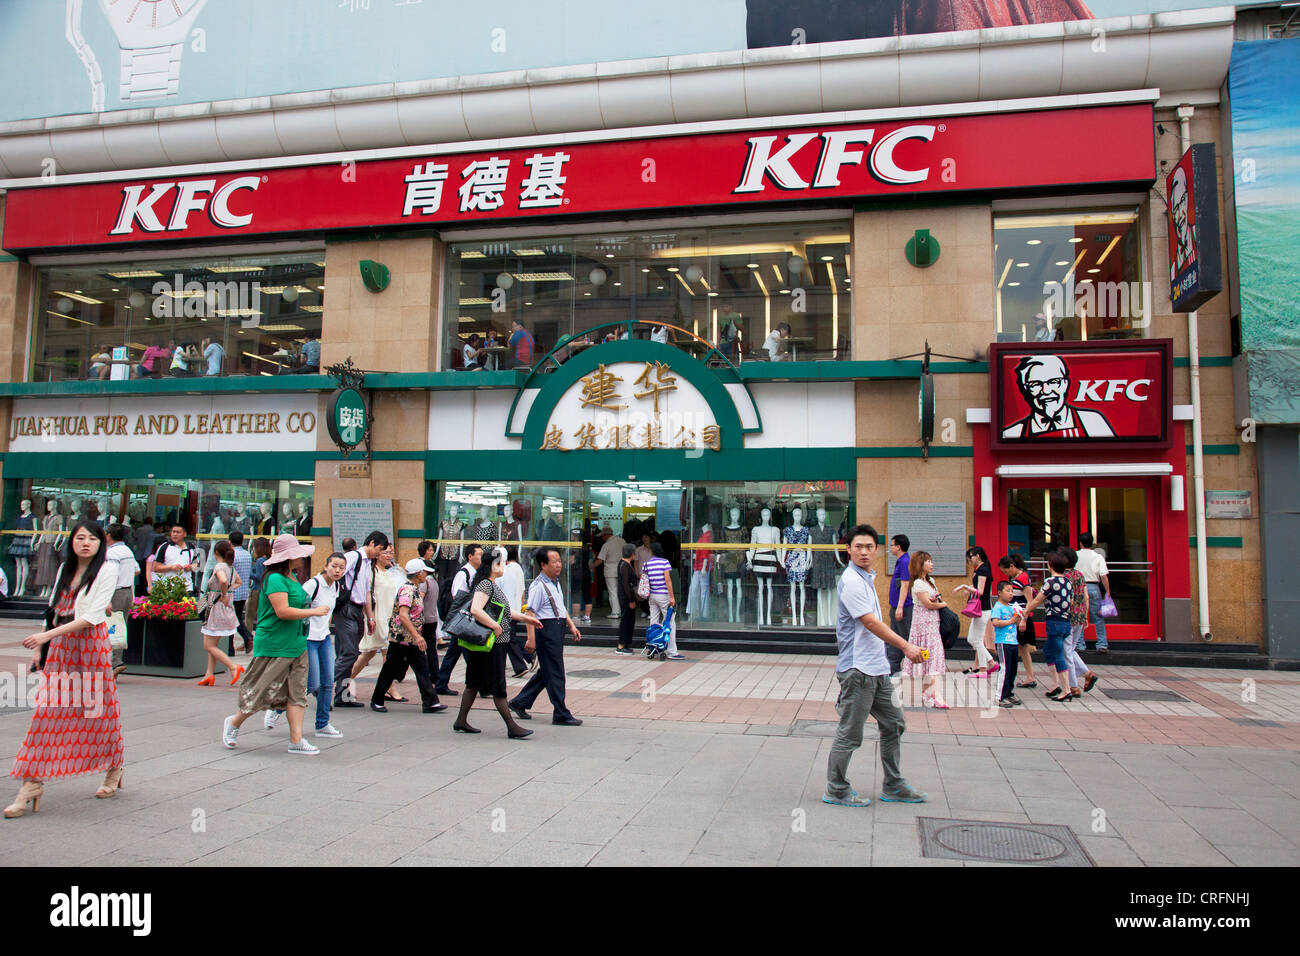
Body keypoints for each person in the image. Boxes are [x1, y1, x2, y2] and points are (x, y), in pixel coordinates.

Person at [7, 521, 125, 817]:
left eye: (92, 538)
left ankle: (114, 767)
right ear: (71, 541)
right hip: (61, 648)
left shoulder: (107, 569)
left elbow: (92, 616)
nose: (86, 543)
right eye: (80, 537)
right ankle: (31, 783)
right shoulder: (64, 570)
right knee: (47, 713)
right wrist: (40, 647)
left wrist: (47, 637)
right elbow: (53, 611)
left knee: (98, 712)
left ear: (101, 543)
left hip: (91, 648)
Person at [823, 524, 926, 808]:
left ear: (877, 550)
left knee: (894, 724)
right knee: (850, 734)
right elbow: (869, 622)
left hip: (877, 670)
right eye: (859, 546)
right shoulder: (853, 581)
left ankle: (893, 785)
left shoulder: (866, 578)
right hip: (858, 672)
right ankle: (836, 789)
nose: (864, 551)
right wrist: (905, 646)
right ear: (848, 549)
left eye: (869, 547)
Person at [221, 534, 331, 754]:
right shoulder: (274, 579)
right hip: (274, 644)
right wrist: (314, 611)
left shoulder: (291, 577)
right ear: (287, 557)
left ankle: (296, 739)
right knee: (260, 691)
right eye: (297, 555)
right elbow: (282, 611)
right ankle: (234, 723)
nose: (301, 558)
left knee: (297, 693)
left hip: (297, 643)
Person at [454, 547, 542, 736]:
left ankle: (461, 720)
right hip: (493, 643)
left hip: (490, 643)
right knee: (497, 685)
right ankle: (512, 727)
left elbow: (506, 611)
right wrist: (495, 626)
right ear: (494, 565)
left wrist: (527, 619)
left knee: (473, 682)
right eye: (502, 562)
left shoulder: (492, 585)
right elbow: (476, 609)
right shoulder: (486, 585)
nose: (505, 566)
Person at [266, 551, 349, 737]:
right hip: (308, 638)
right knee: (312, 684)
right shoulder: (313, 584)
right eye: (334, 566)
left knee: (328, 683)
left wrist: (325, 628)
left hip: (324, 638)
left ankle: (322, 724)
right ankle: (276, 709)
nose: (337, 570)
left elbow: (327, 613)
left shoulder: (336, 586)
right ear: (326, 566)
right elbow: (297, 606)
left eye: (341, 568)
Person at [509, 547, 583, 726]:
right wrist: (531, 638)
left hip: (556, 628)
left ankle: (520, 702)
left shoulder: (554, 582)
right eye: (554, 561)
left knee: (547, 671)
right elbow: (530, 613)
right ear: (543, 565)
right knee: (555, 673)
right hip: (546, 630)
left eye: (559, 561)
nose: (559, 565)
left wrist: (571, 625)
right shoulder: (538, 586)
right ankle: (561, 712)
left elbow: (559, 606)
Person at [370, 559, 448, 714]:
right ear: (418, 574)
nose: (426, 575)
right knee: (390, 669)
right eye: (424, 572)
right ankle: (377, 699)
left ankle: (430, 702)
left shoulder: (413, 589)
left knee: (421, 668)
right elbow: (403, 616)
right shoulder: (407, 590)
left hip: (410, 639)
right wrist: (417, 636)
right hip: (402, 639)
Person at [1001, 353, 1115, 440]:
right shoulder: (1013, 433)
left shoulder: (1092, 422)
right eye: (1036, 384)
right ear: (1026, 389)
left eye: (1053, 382)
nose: (1046, 391)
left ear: (1065, 384)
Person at [331, 531, 386, 708]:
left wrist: (370, 616)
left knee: (350, 652)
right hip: (346, 608)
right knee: (350, 653)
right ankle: (319, 683)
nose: (379, 553)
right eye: (379, 549)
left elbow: (366, 592)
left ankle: (342, 696)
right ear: (371, 543)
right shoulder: (353, 557)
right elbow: (333, 575)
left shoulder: (368, 563)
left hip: (357, 610)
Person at [349, 542, 401, 701]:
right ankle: (389, 688)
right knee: (387, 652)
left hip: (388, 617)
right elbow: (367, 596)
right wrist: (371, 617)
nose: (389, 556)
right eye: (386, 552)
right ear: (377, 553)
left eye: (391, 553)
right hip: (376, 617)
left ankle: (345, 680)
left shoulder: (389, 573)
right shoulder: (371, 572)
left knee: (368, 653)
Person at [1022, 550, 1076, 703]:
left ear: (1050, 565)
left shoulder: (1050, 582)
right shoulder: (1068, 582)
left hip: (1054, 622)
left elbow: (1038, 600)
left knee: (1058, 654)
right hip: (1066, 622)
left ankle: (1065, 689)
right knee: (1048, 651)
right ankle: (1055, 685)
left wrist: (1025, 612)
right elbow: (1071, 602)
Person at [434, 542, 483, 696]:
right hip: (462, 620)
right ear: (470, 556)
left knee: (454, 653)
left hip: (464, 620)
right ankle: (482, 686)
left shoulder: (475, 572)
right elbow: (457, 597)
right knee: (469, 653)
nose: (481, 557)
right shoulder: (464, 573)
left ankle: (441, 683)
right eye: (479, 554)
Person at [903, 550, 948, 709]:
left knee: (933, 656)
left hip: (933, 623)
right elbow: (927, 604)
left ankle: (930, 693)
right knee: (928, 656)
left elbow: (931, 599)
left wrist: (936, 600)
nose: (931, 564)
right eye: (928, 561)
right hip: (923, 625)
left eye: (931, 561)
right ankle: (935, 695)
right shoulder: (918, 583)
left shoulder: (930, 581)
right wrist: (941, 604)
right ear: (919, 565)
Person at [197, 541, 245, 688]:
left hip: (215, 607)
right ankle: (209, 674)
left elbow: (223, 580)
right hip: (224, 608)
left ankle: (232, 666)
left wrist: (223, 593)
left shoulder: (219, 566)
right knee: (213, 644)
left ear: (216, 552)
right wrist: (228, 591)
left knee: (208, 645)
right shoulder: (230, 567)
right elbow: (238, 581)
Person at [1059, 547, 1099, 696]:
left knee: (1066, 651)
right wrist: (1086, 616)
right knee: (1070, 649)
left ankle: (1073, 685)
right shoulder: (1079, 575)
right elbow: (1086, 596)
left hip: (1068, 617)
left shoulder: (1064, 576)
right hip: (1080, 616)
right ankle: (1087, 674)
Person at [954, 546, 998, 679]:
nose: (970, 560)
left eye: (971, 557)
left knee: (977, 640)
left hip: (983, 609)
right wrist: (970, 588)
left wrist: (965, 587)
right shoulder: (981, 569)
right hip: (981, 610)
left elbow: (981, 591)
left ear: (977, 556)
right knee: (972, 639)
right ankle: (990, 663)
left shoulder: (983, 570)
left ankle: (984, 669)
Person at [998, 554, 1040, 690]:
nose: (1005, 574)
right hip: (1017, 617)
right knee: (1022, 648)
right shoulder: (1015, 578)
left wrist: (1024, 618)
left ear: (1011, 566)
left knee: (1021, 647)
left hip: (1021, 618)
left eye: (1006, 571)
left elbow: (1030, 600)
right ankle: (1029, 676)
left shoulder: (1023, 578)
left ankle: (1027, 676)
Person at [104, 523, 138, 679]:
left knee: (110, 628)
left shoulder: (112, 553)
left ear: (109, 536)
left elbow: (111, 575)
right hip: (127, 592)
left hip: (115, 593)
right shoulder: (127, 551)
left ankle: (114, 663)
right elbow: (136, 570)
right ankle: (114, 664)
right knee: (119, 628)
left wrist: (106, 598)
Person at [642, 541, 682, 660]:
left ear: (652, 551)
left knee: (653, 622)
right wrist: (672, 596)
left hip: (652, 596)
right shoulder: (664, 562)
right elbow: (668, 580)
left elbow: (644, 579)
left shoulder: (646, 564)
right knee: (670, 623)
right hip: (663, 596)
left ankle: (653, 646)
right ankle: (671, 651)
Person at [499, 546, 533, 678]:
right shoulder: (516, 568)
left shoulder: (507, 571)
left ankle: (522, 663)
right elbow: (522, 590)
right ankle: (526, 658)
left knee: (508, 638)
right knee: (508, 637)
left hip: (508, 611)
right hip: (514, 609)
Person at [991, 581, 1024, 708]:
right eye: (1007, 591)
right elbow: (995, 622)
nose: (1011, 594)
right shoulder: (998, 607)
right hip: (1003, 642)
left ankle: (1009, 692)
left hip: (1013, 641)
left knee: (1013, 669)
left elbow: (1016, 622)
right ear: (999, 593)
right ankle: (999, 696)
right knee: (1004, 669)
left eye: (1012, 591)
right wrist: (1011, 621)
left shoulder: (1012, 607)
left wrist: (1019, 619)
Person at [1075, 532, 1110, 653]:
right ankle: (1102, 644)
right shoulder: (1098, 556)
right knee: (1098, 617)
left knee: (1078, 616)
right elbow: (1104, 576)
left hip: (1078, 587)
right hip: (1093, 586)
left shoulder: (1075, 555)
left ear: (1080, 543)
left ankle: (1079, 645)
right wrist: (1107, 592)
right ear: (1092, 543)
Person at [887, 533, 912, 676]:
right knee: (895, 636)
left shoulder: (904, 562)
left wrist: (900, 607)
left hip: (903, 608)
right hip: (896, 606)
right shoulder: (901, 561)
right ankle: (893, 666)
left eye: (892, 545)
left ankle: (912, 666)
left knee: (905, 636)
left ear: (898, 547)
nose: (890, 548)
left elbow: (905, 585)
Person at [147, 522, 198, 592]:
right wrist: (171, 567)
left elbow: (199, 566)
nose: (175, 534)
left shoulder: (192, 547)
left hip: (187, 588)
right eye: (173, 532)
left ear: (185, 534)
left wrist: (191, 567)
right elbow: (156, 568)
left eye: (178, 532)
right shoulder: (164, 547)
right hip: (168, 588)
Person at [592, 525, 626, 618]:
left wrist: (591, 566)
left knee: (612, 591)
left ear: (606, 535)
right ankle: (622, 611)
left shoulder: (606, 545)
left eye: (603, 536)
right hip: (622, 569)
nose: (602, 538)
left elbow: (600, 560)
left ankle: (615, 612)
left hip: (610, 571)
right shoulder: (622, 541)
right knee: (621, 591)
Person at [228, 531, 254, 654]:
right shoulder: (247, 554)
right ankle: (246, 637)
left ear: (229, 542)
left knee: (231, 620)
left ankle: (231, 647)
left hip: (233, 591)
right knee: (236, 618)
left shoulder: (232, 555)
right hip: (243, 592)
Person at [245, 536, 271, 648]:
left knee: (249, 616)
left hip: (256, 590)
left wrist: (249, 572)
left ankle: (247, 638)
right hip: (263, 590)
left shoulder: (260, 561)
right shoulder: (267, 559)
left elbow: (259, 577)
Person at [615, 543, 638, 655]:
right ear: (632, 554)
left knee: (629, 621)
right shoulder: (624, 565)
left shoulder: (625, 564)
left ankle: (626, 644)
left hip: (626, 597)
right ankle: (621, 645)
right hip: (626, 598)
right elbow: (626, 584)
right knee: (625, 620)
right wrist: (631, 600)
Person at [567, 529, 593, 624]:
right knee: (587, 595)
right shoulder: (587, 547)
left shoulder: (574, 548)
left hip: (576, 573)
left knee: (575, 594)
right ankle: (587, 616)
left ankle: (575, 615)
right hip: (586, 573)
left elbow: (571, 561)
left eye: (572, 535)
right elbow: (591, 563)